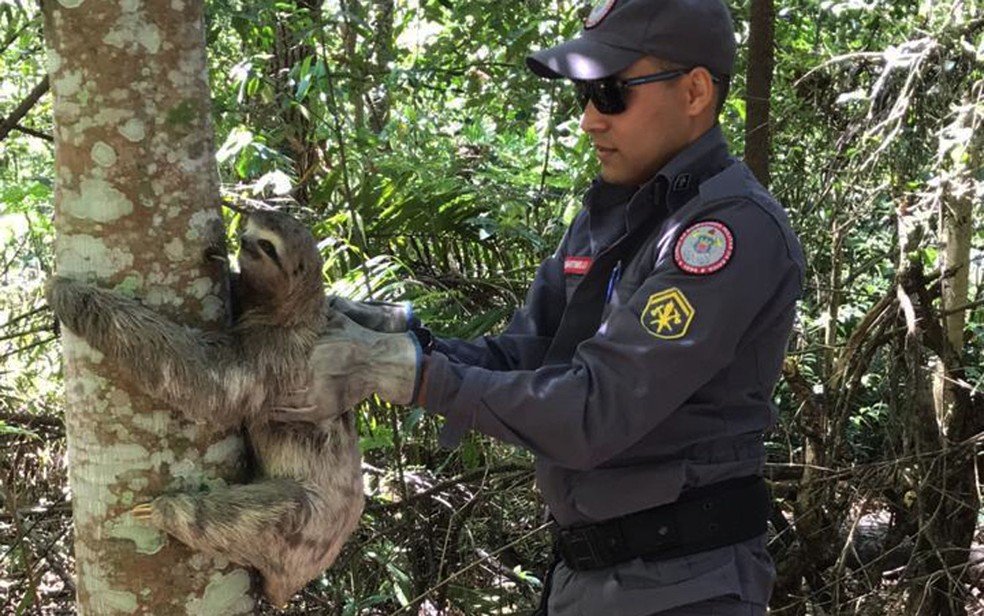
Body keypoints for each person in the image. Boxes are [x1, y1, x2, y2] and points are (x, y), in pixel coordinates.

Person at [303, 0, 805, 613]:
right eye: (583, 96)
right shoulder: (613, 216)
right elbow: (529, 355)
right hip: (583, 577)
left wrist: (411, 376)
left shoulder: (726, 235)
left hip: (683, 587)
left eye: (611, 93)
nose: (591, 120)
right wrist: (402, 337)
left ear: (696, 91)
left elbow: (595, 411)